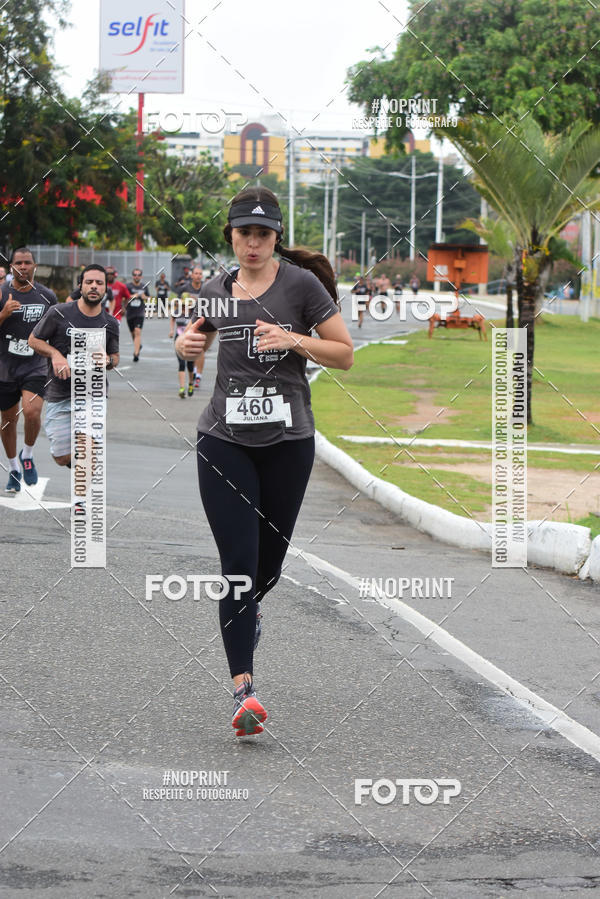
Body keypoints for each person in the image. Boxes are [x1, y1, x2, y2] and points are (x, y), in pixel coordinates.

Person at [176, 187, 353, 737]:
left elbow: (344, 354)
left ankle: (252, 610)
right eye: (243, 233)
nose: (252, 243)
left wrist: (293, 339)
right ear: (229, 236)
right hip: (223, 440)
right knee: (237, 566)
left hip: (287, 443)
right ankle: (243, 691)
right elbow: (197, 340)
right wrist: (188, 346)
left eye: (263, 234)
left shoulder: (302, 286)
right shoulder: (214, 290)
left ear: (276, 237)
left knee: (267, 568)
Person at [28, 265, 119, 468]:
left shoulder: (110, 323)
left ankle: (82, 497)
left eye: (99, 283)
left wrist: (108, 361)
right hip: (59, 393)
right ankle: (78, 466)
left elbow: (115, 357)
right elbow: (33, 340)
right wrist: (55, 354)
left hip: (93, 394)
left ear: (105, 288)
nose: (94, 286)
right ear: (80, 286)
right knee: (61, 457)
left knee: (89, 449)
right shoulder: (58, 313)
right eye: (89, 282)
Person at [0, 247, 57, 492]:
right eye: (18, 263)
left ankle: (28, 453)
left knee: (32, 412)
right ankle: (13, 468)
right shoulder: (2, 293)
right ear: (11, 266)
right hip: (5, 366)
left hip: (35, 365)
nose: (23, 267)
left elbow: (56, 330)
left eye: (27, 263)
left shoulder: (47, 296)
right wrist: (3, 313)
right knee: (8, 421)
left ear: (35, 266)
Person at [177, 265, 205, 388]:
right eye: (196, 273)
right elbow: (177, 304)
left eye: (200, 273)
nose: (198, 276)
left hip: (203, 320)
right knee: (190, 346)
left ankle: (198, 375)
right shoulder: (185, 289)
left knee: (200, 347)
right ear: (192, 275)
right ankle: (191, 372)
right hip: (188, 321)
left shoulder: (206, 289)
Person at [169, 295, 196, 397]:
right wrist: (172, 330)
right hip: (179, 340)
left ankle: (190, 384)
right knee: (181, 363)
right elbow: (172, 319)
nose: (185, 306)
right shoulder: (177, 311)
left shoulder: (194, 313)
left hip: (190, 340)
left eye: (187, 304)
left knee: (190, 364)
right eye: (183, 304)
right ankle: (181, 388)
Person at [125, 268, 150, 361]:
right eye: (135, 275)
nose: (137, 276)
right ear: (133, 276)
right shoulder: (128, 286)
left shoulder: (144, 287)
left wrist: (145, 297)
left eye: (139, 275)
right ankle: (138, 345)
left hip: (140, 312)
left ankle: (136, 354)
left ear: (141, 276)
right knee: (133, 333)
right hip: (130, 312)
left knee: (137, 331)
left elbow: (149, 297)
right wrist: (132, 296)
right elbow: (124, 296)